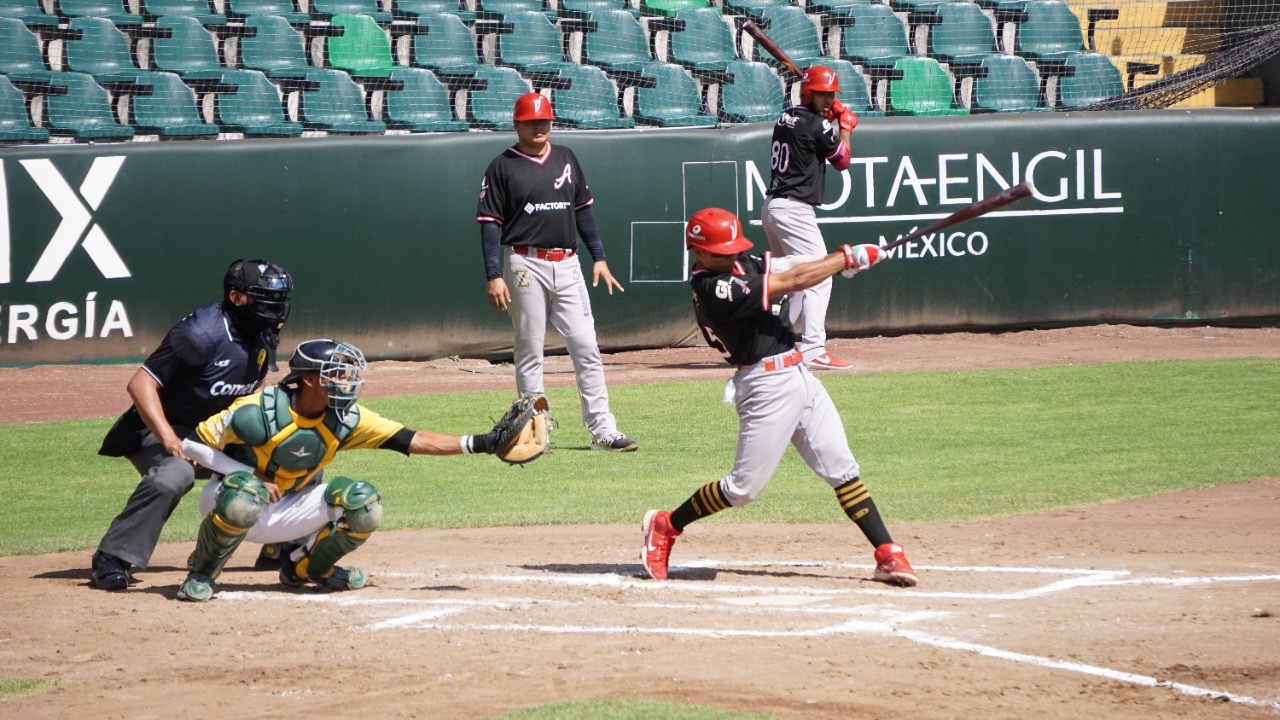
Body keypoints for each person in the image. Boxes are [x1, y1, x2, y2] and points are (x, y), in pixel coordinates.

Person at [640, 207, 917, 586]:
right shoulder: (713, 289)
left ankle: (887, 552)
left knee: (841, 466)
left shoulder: (740, 264)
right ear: (698, 251)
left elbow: (794, 261)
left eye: (734, 249)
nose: (731, 255)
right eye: (722, 252)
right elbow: (794, 279)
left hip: (799, 374)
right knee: (742, 489)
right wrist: (844, 259)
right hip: (764, 387)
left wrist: (848, 257)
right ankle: (666, 525)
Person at [174, 338, 529, 602]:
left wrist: (482, 442)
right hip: (230, 500)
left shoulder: (347, 419)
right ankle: (203, 573)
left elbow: (411, 439)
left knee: (363, 503)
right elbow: (190, 444)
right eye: (337, 374)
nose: (347, 381)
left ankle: (306, 570)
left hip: (290, 509)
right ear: (310, 379)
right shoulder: (257, 410)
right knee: (245, 494)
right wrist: (252, 475)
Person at [90, 259, 293, 591]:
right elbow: (140, 385)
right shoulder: (200, 334)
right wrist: (169, 438)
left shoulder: (261, 331)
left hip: (218, 434)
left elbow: (250, 385)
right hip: (164, 431)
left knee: (297, 450)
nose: (276, 308)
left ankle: (280, 544)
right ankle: (111, 557)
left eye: (279, 299)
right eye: (266, 299)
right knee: (175, 475)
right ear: (236, 297)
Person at [475, 92, 636, 452]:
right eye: (532, 121)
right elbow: (488, 224)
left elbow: (583, 211)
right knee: (530, 348)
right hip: (524, 262)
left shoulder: (565, 157)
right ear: (516, 124)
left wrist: (599, 256)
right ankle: (535, 431)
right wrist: (492, 274)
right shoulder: (501, 166)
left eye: (544, 120)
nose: (539, 126)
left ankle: (603, 430)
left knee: (585, 345)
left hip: (567, 263)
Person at [761, 65, 860, 370]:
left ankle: (775, 347)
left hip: (773, 208)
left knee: (793, 282)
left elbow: (806, 127)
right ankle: (814, 348)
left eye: (832, 94)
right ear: (808, 92)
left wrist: (826, 116)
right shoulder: (815, 125)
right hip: (794, 210)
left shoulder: (787, 116)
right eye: (823, 93)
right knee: (819, 275)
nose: (829, 98)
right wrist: (845, 127)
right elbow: (842, 161)